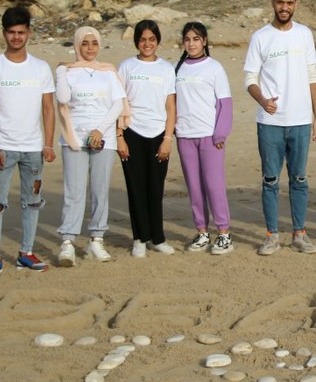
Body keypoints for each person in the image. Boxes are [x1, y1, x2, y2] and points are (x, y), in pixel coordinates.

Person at [245, 0, 316, 255]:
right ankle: (271, 235)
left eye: (290, 3)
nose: (285, 7)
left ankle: (299, 233)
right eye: (280, 2)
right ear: (273, 2)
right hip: (270, 124)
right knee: (270, 179)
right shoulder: (260, 37)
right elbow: (250, 79)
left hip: (301, 121)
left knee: (299, 178)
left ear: (296, 4)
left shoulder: (304, 34)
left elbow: (313, 76)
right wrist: (263, 100)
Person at [0, 6, 56, 280]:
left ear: (29, 33)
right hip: (2, 147)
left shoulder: (40, 68)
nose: (16, 37)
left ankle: (26, 252)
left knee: (32, 201)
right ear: (4, 34)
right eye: (11, 32)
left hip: (33, 149)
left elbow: (48, 108)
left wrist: (48, 143)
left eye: (21, 32)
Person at [54, 27, 126, 266]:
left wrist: (99, 130)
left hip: (103, 138)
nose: (90, 48)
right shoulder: (67, 71)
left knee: (99, 190)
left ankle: (96, 239)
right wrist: (62, 72)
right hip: (74, 139)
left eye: (94, 43)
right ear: (77, 45)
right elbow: (63, 99)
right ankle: (67, 242)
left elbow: (118, 104)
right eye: (85, 43)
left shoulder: (108, 72)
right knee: (74, 191)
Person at [117, 19, 177, 257]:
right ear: (136, 42)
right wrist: (119, 136)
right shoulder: (126, 67)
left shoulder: (166, 68)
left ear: (158, 41)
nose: (147, 44)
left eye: (152, 39)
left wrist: (168, 138)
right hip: (132, 133)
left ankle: (157, 238)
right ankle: (140, 238)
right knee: (136, 188)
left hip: (158, 134)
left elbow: (171, 106)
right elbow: (118, 103)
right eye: (143, 39)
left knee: (156, 187)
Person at [174, 21, 233, 255]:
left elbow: (225, 103)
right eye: (187, 39)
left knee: (214, 185)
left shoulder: (214, 67)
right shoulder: (176, 69)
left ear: (205, 41)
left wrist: (221, 133)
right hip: (184, 135)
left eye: (196, 39)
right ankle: (201, 231)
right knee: (195, 188)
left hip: (210, 136)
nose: (191, 43)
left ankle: (224, 233)